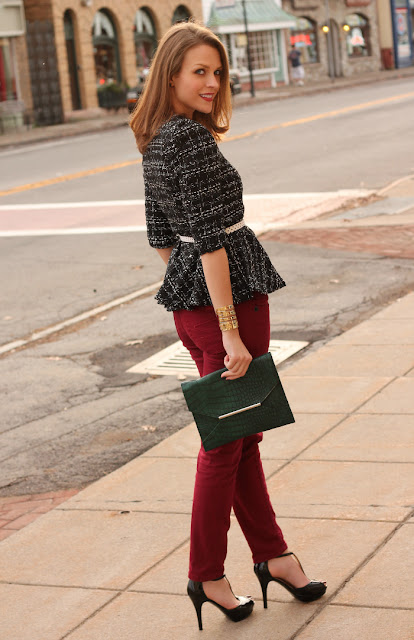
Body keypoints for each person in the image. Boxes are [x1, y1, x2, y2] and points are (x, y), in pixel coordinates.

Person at [130, 21, 326, 631]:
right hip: (229, 308)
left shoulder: (158, 138)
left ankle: (274, 556)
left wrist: (194, 301)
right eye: (199, 72)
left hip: (196, 307)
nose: (212, 82)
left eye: (217, 72)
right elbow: (210, 242)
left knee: (242, 436)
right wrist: (229, 330)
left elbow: (164, 240)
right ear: (171, 74)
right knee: (224, 445)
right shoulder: (188, 139)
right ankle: (206, 573)